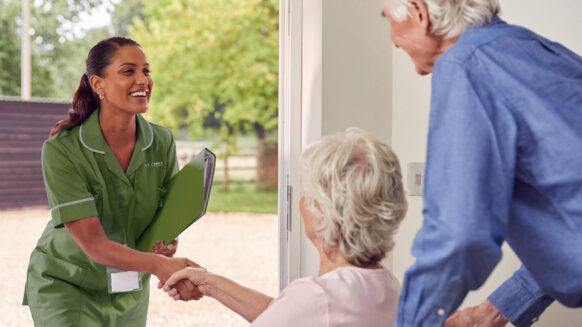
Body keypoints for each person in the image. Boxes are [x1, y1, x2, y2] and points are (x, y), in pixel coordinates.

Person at [380, 0, 582, 326]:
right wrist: (489, 314)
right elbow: (572, 217)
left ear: (420, 13)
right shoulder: (524, 47)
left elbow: (457, 235)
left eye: (387, 19)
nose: (391, 39)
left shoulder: (465, 65)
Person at [23, 36, 202, 327]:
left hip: (128, 287)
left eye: (146, 70)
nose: (143, 80)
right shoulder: (62, 149)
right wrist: (160, 265)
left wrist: (165, 246)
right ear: (98, 85)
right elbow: (93, 243)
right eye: (128, 71)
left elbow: (166, 216)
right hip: (68, 285)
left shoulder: (162, 141)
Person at [162, 128, 408, 326]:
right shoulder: (387, 285)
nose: (301, 202)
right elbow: (287, 314)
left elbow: (301, 311)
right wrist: (209, 283)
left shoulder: (317, 297)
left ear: (322, 214)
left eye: (306, 193)